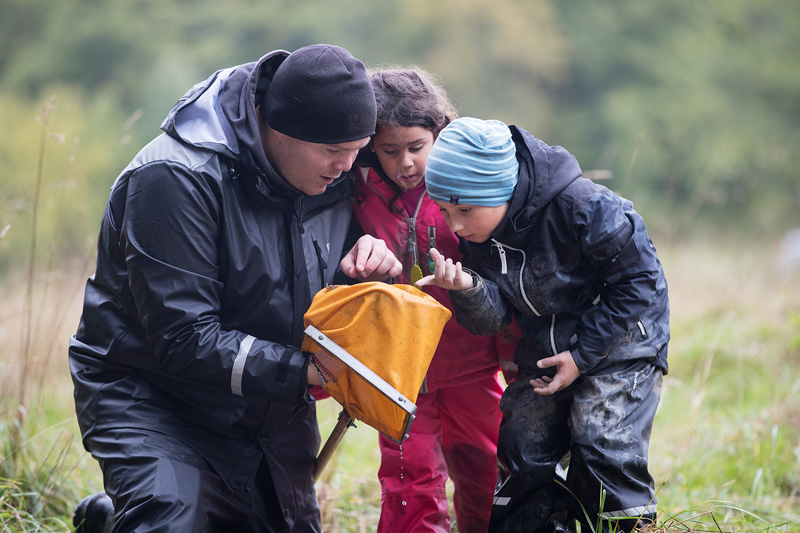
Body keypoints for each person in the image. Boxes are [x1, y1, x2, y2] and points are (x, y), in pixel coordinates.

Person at [68, 44, 403, 533]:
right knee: (172, 519)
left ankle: (112, 516)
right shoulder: (175, 178)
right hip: (156, 397)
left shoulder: (331, 172)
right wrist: (306, 371)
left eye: (357, 151)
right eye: (335, 152)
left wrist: (370, 272)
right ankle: (144, 503)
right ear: (279, 127)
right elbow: (184, 339)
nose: (349, 167)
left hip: (270, 413)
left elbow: (316, 281)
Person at [416, 117, 670, 533]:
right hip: (545, 351)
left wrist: (582, 355)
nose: (455, 226)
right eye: (444, 212)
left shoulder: (587, 209)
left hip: (621, 346)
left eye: (464, 210)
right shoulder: (479, 234)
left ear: (502, 189)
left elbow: (638, 281)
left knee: (599, 439)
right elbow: (494, 319)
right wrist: (466, 287)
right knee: (522, 446)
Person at [350, 68, 515, 532]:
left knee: (484, 470)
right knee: (408, 481)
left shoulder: (466, 189)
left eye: (417, 148)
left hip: (471, 363)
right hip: (400, 370)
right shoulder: (353, 190)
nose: (405, 163)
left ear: (440, 132)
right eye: (390, 150)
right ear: (370, 147)